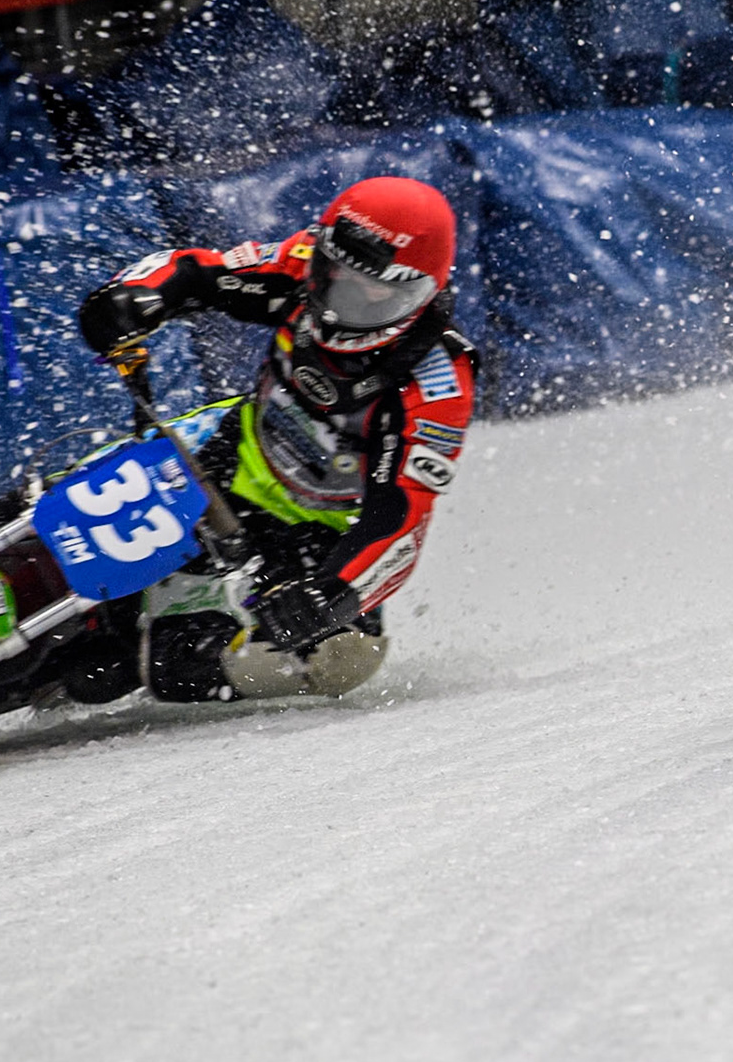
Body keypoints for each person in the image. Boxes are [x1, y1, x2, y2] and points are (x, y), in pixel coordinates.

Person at [61, 175, 478, 705]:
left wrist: (334, 591)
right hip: (232, 455)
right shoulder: (300, 261)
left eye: (371, 288)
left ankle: (163, 656)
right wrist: (133, 297)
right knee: (82, 496)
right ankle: (12, 529)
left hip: (321, 531)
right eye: (335, 272)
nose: (341, 299)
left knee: (343, 658)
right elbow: (196, 271)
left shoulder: (438, 382)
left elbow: (399, 518)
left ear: (421, 291)